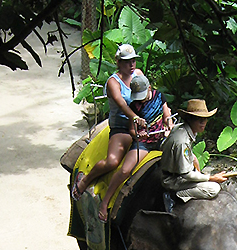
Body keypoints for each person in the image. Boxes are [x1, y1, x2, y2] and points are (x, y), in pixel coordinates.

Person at [71, 43, 147, 200]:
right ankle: (85, 180)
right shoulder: (114, 82)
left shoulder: (139, 74)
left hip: (140, 125)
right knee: (113, 161)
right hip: (122, 127)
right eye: (127, 62)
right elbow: (122, 104)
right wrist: (136, 118)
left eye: (133, 61)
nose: (131, 65)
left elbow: (149, 93)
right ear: (118, 62)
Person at [97, 73, 174, 222]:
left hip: (162, 139)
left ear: (150, 88)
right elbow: (131, 130)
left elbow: (167, 117)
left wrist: (168, 128)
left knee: (186, 157)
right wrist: (138, 135)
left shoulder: (160, 97)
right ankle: (105, 201)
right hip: (145, 143)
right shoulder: (134, 106)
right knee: (125, 170)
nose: (140, 99)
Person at [159, 99, 228, 203]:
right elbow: (186, 174)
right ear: (190, 119)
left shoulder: (178, 128)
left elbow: (163, 146)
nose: (203, 122)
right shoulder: (182, 142)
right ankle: (175, 196)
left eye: (204, 119)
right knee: (214, 188)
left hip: (174, 173)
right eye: (198, 119)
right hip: (173, 180)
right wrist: (211, 178)